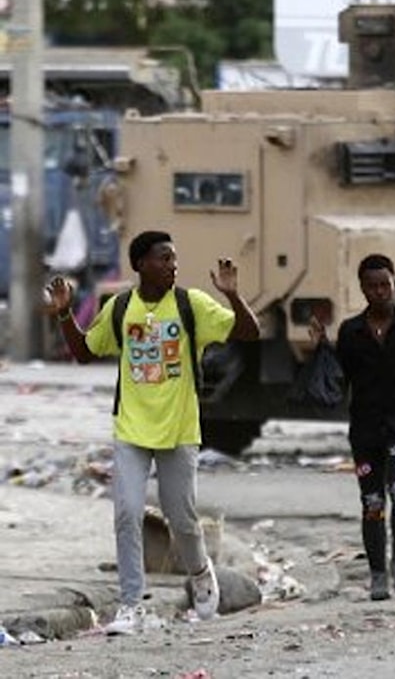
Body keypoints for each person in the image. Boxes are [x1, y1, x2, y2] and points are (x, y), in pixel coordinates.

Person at [42, 230, 260, 635]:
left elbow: (249, 333)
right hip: (131, 428)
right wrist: (64, 314)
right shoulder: (122, 306)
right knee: (126, 513)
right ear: (140, 264)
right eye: (163, 259)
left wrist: (232, 294)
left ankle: (199, 571)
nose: (172, 265)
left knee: (182, 518)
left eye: (174, 258)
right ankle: (131, 605)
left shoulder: (191, 304)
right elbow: (86, 352)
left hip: (179, 428)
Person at [314, 253, 395, 601]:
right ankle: (377, 574)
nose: (379, 291)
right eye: (372, 286)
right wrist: (322, 351)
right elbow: (339, 382)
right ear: (362, 288)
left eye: (385, 284)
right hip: (365, 433)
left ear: (394, 284)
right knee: (373, 503)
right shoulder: (351, 332)